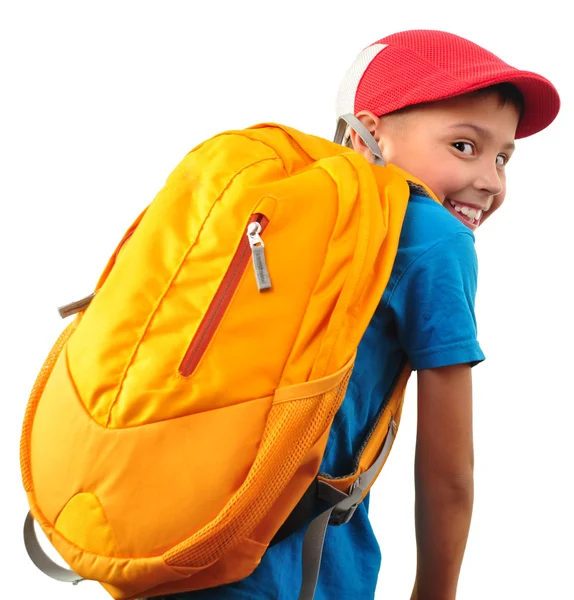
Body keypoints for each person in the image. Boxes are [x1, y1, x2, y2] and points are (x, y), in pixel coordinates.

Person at [155, 29, 560, 600]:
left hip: (169, 545)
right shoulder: (434, 238)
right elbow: (449, 476)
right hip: (294, 576)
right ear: (367, 135)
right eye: (464, 147)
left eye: (503, 156)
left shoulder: (271, 204)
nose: (490, 180)